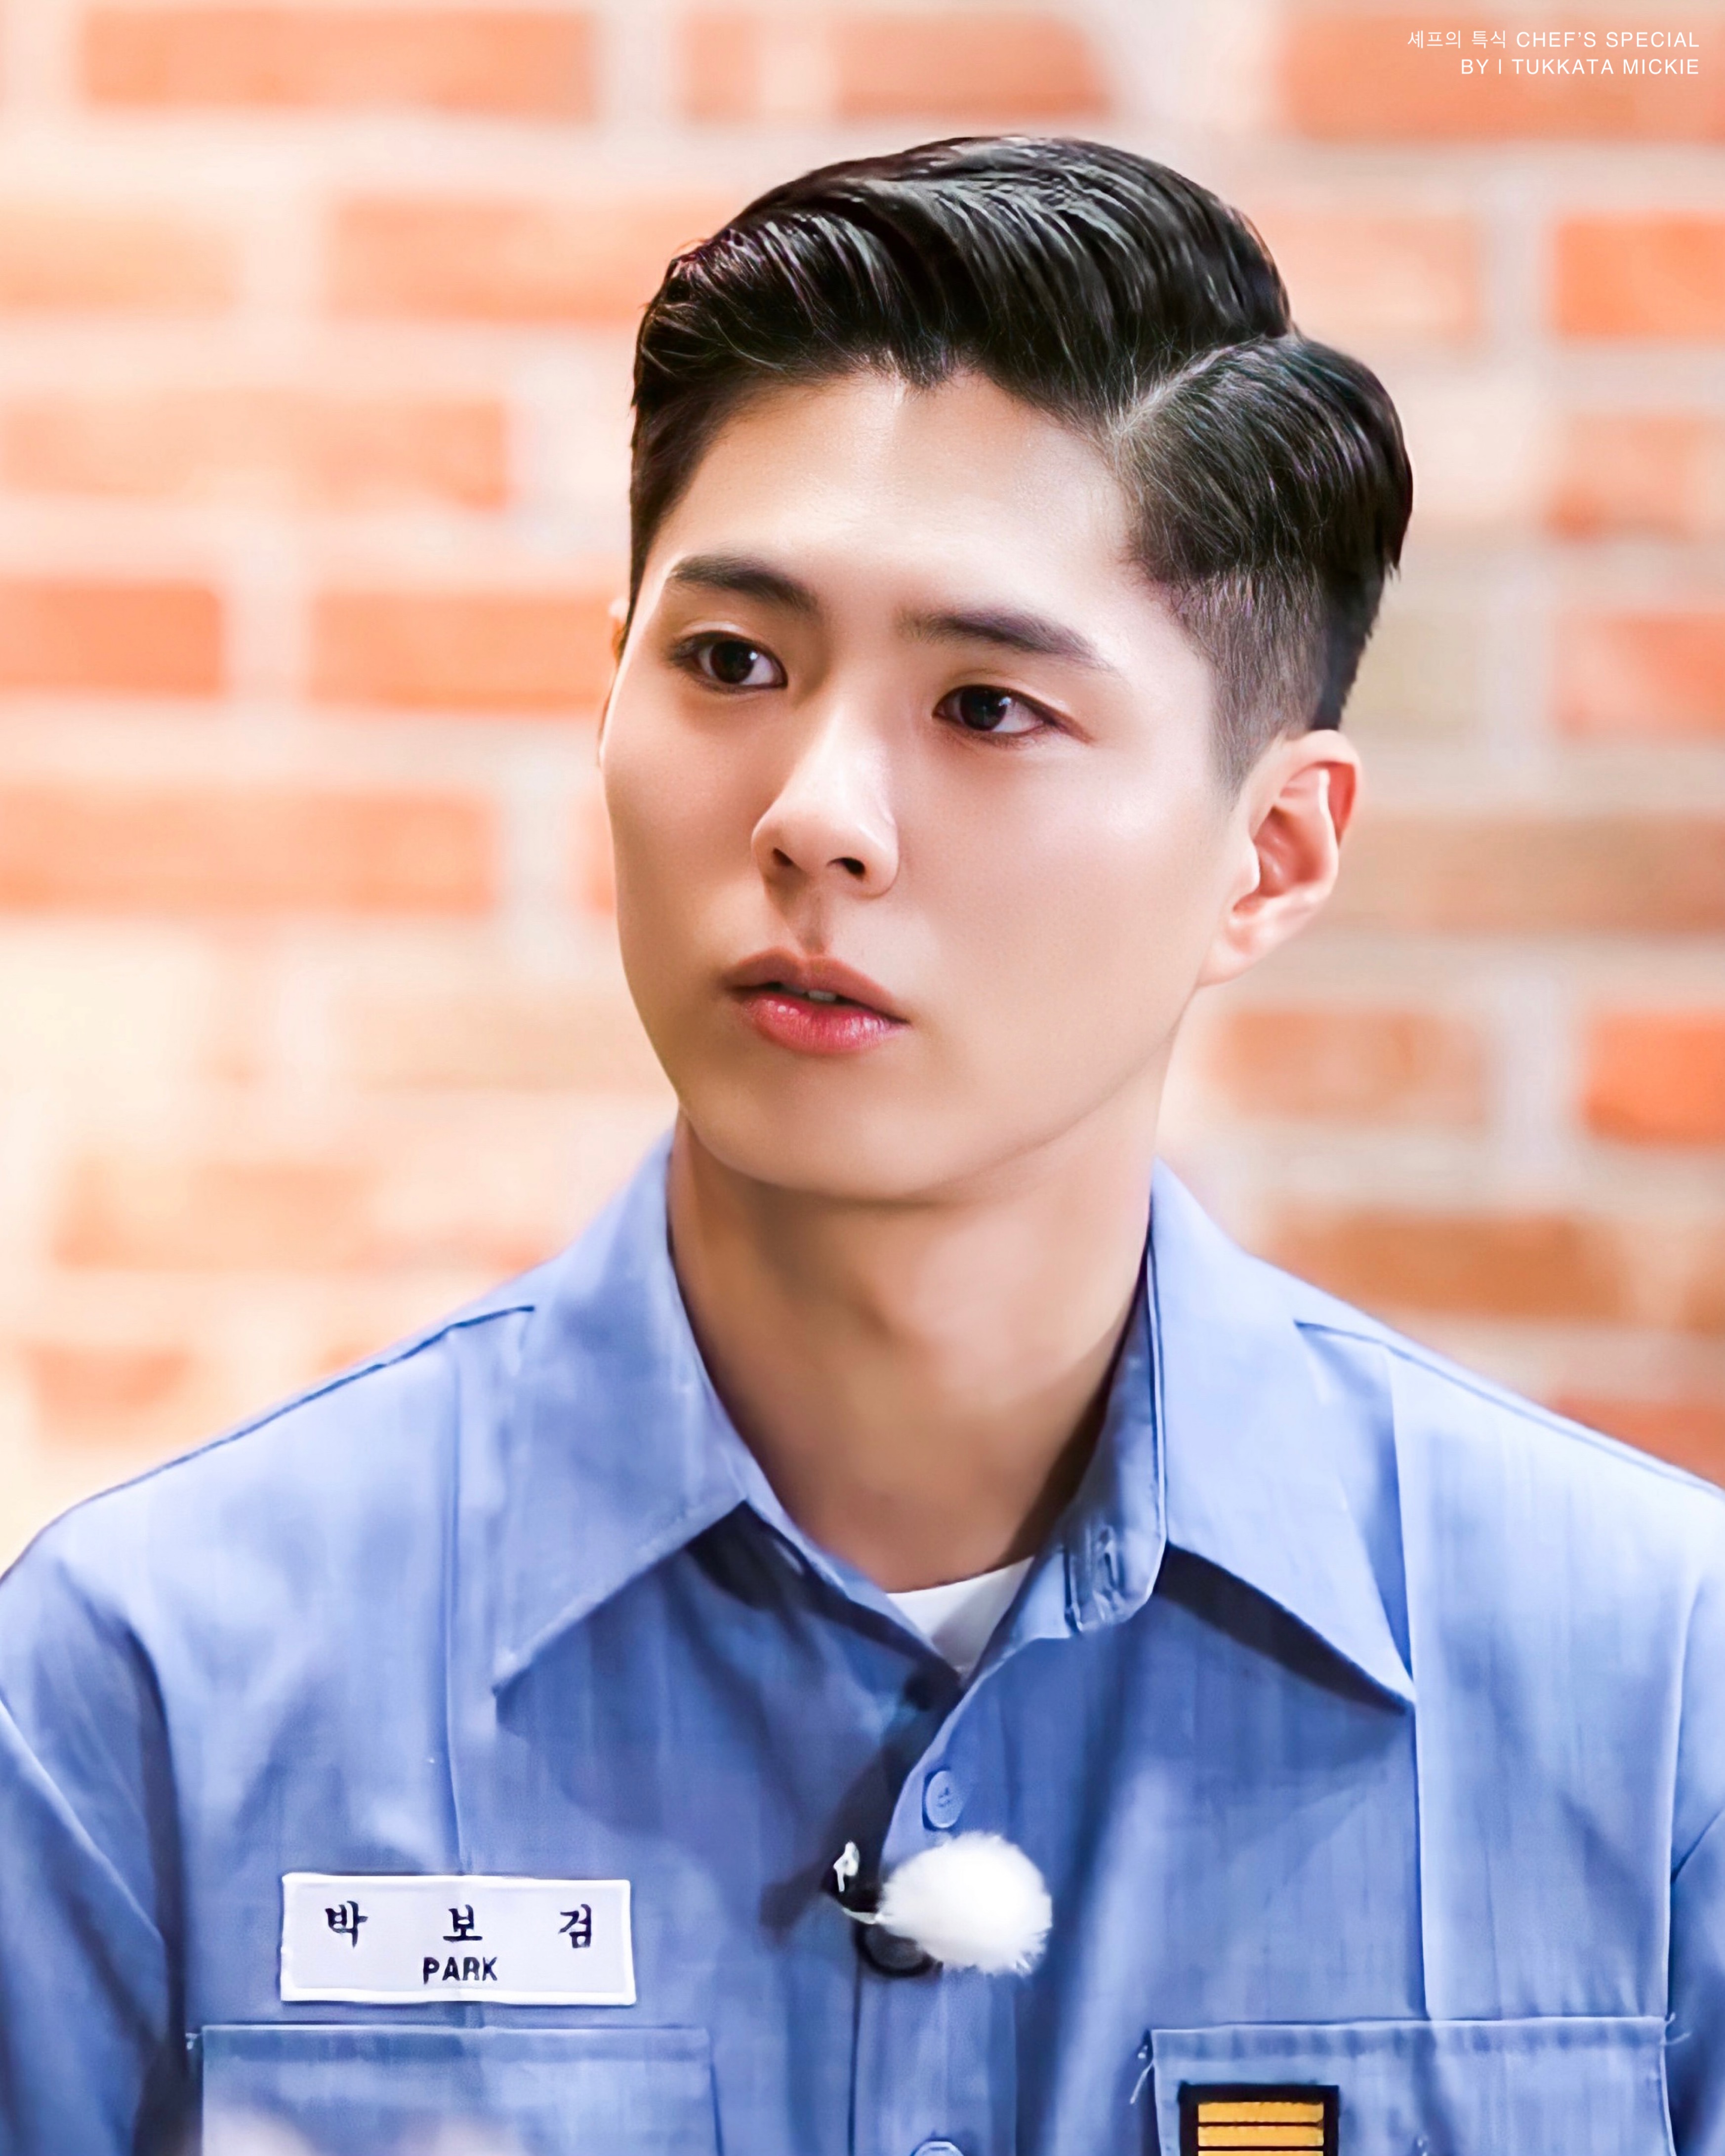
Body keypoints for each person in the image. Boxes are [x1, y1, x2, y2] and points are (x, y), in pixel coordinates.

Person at [0, 134, 1720, 2156]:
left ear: (1268, 852)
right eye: (732, 663)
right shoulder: (156, 1684)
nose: (816, 813)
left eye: (985, 707)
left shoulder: (1654, 1691)